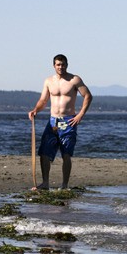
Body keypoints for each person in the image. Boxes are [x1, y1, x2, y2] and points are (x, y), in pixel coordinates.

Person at [28, 54, 93, 190]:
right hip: (53, 122)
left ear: (67, 65)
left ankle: (64, 185)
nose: (60, 67)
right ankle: (45, 183)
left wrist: (80, 115)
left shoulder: (74, 80)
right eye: (58, 64)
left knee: (66, 153)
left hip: (68, 121)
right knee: (44, 153)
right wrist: (35, 110)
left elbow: (88, 96)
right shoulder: (48, 81)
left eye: (63, 64)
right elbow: (43, 100)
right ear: (54, 66)